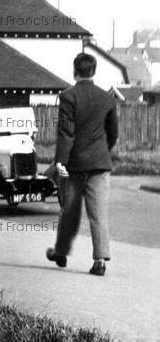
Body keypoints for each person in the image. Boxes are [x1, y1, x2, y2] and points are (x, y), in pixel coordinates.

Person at [46, 53, 118, 276]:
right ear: (94, 71)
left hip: (75, 164)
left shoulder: (68, 96)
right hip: (100, 163)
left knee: (69, 210)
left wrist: (60, 161)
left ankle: (61, 252)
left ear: (74, 70)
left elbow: (66, 132)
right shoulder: (107, 98)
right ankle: (100, 261)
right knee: (99, 213)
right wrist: (102, 152)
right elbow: (113, 133)